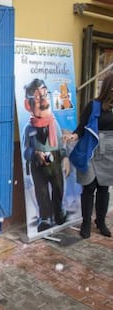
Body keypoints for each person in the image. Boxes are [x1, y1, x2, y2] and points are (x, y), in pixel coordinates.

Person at [68, 72, 113, 239]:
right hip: (91, 148)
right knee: (89, 187)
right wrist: (74, 136)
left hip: (109, 150)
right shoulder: (93, 105)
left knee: (104, 188)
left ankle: (100, 222)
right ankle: (86, 222)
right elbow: (81, 126)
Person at [22, 78, 69, 232]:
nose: (42, 99)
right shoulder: (29, 129)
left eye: (44, 94)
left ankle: (58, 211)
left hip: (55, 162)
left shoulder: (54, 124)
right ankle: (45, 217)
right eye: (37, 97)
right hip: (38, 165)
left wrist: (66, 158)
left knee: (58, 188)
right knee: (41, 192)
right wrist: (35, 153)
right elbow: (25, 150)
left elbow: (61, 144)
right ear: (29, 103)